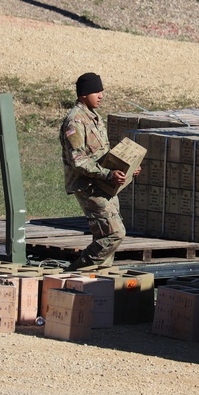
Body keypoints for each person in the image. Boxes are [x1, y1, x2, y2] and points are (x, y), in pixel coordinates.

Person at [59, 72, 136, 270]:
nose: (101, 95)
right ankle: (77, 270)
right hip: (88, 186)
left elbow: (103, 154)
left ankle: (100, 281)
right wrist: (109, 174)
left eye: (102, 91)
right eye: (96, 91)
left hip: (105, 185)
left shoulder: (93, 117)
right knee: (114, 234)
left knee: (104, 236)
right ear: (83, 95)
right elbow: (78, 161)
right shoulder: (75, 121)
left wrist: (127, 167)